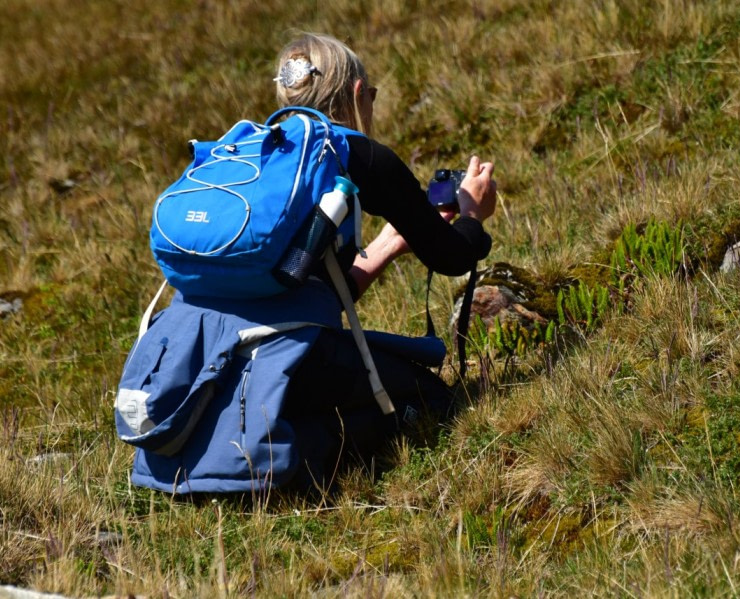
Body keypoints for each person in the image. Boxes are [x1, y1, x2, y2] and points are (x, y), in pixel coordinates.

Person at [125, 32, 496, 494]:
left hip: (198, 361)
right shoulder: (357, 154)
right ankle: (290, 463)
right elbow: (453, 256)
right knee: (431, 395)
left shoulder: (253, 156)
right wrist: (474, 215)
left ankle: (225, 445)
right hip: (296, 362)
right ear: (358, 94)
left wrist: (385, 247)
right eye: (373, 96)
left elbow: (291, 287)